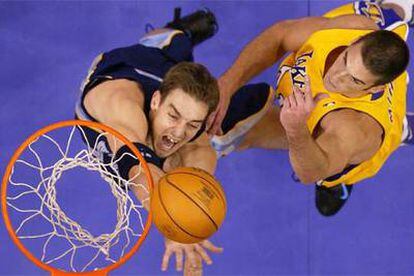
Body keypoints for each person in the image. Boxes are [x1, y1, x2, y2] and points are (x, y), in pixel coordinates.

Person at [208, 0, 413, 216]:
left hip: (344, 142)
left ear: (374, 88)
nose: (336, 77)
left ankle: (402, 130)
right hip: (313, 105)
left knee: (331, 164)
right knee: (387, 17)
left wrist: (296, 128)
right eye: (344, 60)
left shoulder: (354, 128)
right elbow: (281, 34)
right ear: (355, 41)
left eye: (354, 80)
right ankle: (401, 7)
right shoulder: (353, 27)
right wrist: (227, 84)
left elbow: (313, 171)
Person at [75, 8, 222, 273]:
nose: (178, 133)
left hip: (172, 75)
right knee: (173, 41)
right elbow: (141, 168)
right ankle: (179, 30)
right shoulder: (124, 110)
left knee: (247, 107)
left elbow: (199, 164)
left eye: (192, 125)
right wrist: (173, 222)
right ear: (156, 101)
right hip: (135, 63)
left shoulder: (197, 135)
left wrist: (191, 213)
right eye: (174, 117)